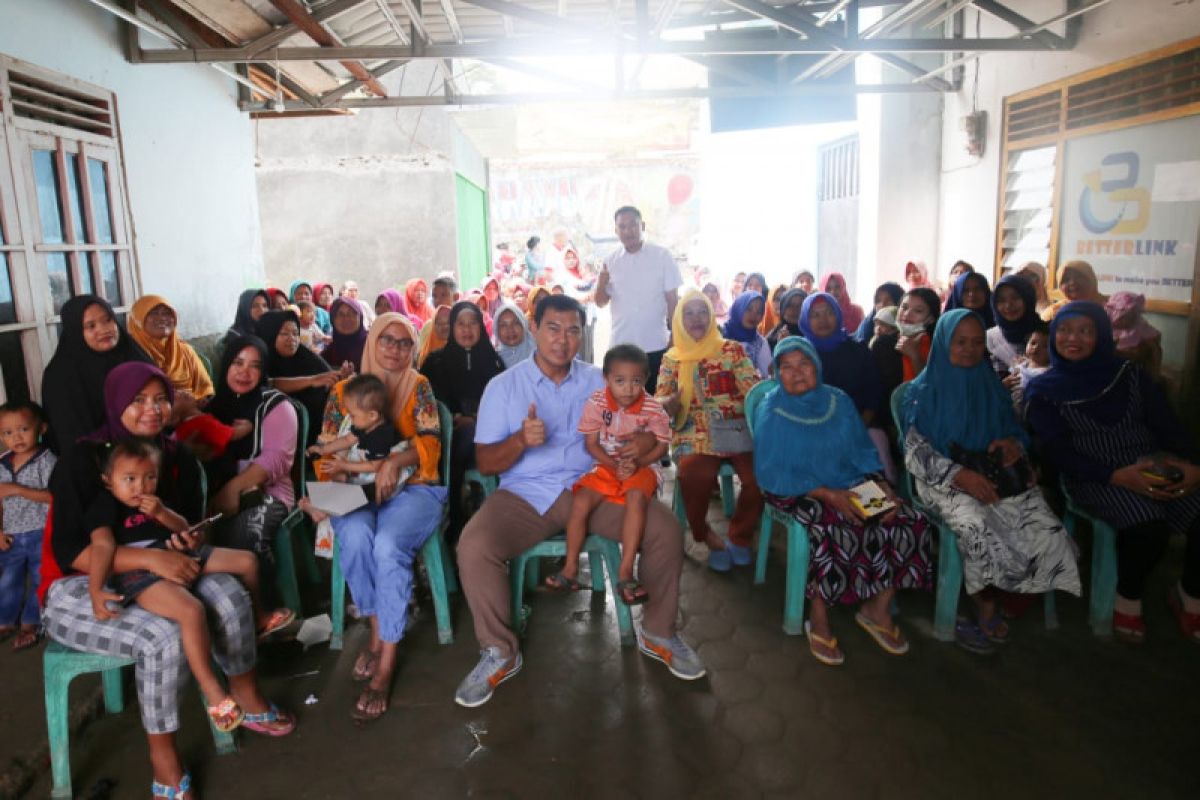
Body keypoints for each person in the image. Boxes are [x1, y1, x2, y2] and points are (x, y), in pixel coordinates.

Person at [40, 362, 294, 797]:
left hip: (156, 561)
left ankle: (246, 696)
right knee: (164, 635)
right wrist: (152, 561)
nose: (152, 410)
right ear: (116, 401)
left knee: (231, 595)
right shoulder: (83, 462)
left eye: (161, 399)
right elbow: (73, 552)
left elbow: (190, 526)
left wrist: (180, 542)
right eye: (138, 400)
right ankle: (164, 759)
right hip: (80, 581)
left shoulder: (169, 454)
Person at [455, 294, 703, 708]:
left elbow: (648, 421)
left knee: (663, 528)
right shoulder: (503, 388)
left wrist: (643, 441)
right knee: (474, 545)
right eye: (553, 328)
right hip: (525, 494)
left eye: (573, 330)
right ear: (535, 330)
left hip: (595, 486)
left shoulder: (599, 380)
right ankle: (499, 652)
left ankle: (659, 631)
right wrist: (520, 440)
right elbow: (485, 460)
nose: (563, 340)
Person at [899, 309, 1081, 654]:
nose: (968, 350)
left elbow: (1014, 430)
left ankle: (1012, 592)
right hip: (940, 477)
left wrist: (1013, 445)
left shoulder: (988, 385)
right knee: (976, 522)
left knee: (1038, 520)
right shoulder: (923, 392)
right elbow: (915, 453)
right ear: (942, 343)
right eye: (959, 342)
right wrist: (960, 475)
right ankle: (984, 607)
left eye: (976, 342)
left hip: (990, 470)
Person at [84, 437, 293, 735]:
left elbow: (183, 527)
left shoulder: (155, 501)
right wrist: (95, 589)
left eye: (149, 477)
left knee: (247, 562)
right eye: (129, 479)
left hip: (176, 554)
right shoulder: (103, 506)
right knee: (191, 611)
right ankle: (215, 693)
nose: (140, 487)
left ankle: (260, 619)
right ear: (108, 481)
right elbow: (102, 546)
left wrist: (160, 513)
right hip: (139, 572)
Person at [1026, 302, 1200, 644]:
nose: (1072, 338)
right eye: (1063, 330)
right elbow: (1056, 452)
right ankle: (1128, 597)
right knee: (1148, 526)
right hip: (1092, 476)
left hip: (1150, 465)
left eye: (1085, 331)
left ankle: (1189, 593)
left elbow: (1166, 426)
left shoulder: (1129, 375)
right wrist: (1117, 476)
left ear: (1102, 336)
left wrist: (1193, 467)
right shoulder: (1045, 389)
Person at [754, 337, 932, 665]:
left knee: (906, 520)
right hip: (796, 489)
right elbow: (771, 469)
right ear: (777, 373)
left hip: (850, 482)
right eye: (786, 367)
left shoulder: (838, 400)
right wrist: (827, 494)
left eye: (803, 364)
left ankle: (876, 609)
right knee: (833, 528)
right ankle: (818, 616)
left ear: (816, 366)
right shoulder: (773, 409)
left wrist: (880, 485)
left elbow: (862, 451)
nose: (796, 373)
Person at [317, 313, 447, 720]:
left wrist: (393, 462)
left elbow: (430, 444)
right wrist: (345, 475)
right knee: (355, 535)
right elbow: (328, 449)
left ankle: (386, 659)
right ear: (372, 341)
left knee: (389, 545)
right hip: (355, 486)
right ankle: (376, 627)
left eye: (404, 342)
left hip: (414, 487)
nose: (394, 348)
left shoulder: (418, 386)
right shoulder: (342, 392)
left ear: (413, 348)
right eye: (386, 339)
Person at [547, 345, 671, 604]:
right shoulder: (596, 403)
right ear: (606, 379)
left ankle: (625, 571)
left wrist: (639, 464)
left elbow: (662, 447)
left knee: (636, 499)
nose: (628, 388)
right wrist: (614, 467)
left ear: (645, 380)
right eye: (619, 381)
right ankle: (570, 568)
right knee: (580, 502)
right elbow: (591, 445)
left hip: (643, 466)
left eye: (636, 381)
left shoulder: (653, 409)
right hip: (606, 465)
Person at [656, 290, 764, 572]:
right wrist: (668, 403)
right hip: (693, 431)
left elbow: (752, 389)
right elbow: (659, 400)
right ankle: (707, 536)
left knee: (760, 477)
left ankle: (739, 537)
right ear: (679, 320)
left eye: (702, 312)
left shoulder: (731, 349)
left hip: (736, 429)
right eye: (688, 313)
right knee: (693, 474)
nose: (696, 319)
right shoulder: (672, 358)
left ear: (712, 315)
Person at [204, 334, 302, 603]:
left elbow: (278, 458)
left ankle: (271, 610)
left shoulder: (276, 405)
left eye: (255, 366)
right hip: (215, 495)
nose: (245, 372)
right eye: (238, 362)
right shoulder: (213, 407)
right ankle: (229, 614)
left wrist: (234, 488)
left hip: (268, 493)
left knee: (249, 534)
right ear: (226, 365)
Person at [420, 302, 506, 540]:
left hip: (487, 440)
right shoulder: (435, 363)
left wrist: (476, 419)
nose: (467, 330)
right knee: (460, 438)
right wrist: (453, 417)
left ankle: (455, 516)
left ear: (481, 327)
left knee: (470, 435)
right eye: (461, 324)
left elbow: (504, 403)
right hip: (448, 439)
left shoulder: (494, 363)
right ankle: (461, 510)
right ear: (452, 327)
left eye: (473, 324)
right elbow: (429, 401)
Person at [798, 292, 894, 482]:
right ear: (805, 320)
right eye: (815, 315)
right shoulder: (799, 354)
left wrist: (858, 425)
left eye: (828, 313)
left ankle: (881, 500)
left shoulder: (857, 349)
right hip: (813, 429)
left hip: (860, 424)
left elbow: (873, 391)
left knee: (875, 452)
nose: (823, 320)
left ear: (838, 314)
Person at [42, 295, 152, 454]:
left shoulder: (133, 356)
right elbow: (72, 440)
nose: (104, 329)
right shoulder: (60, 377)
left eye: (108, 320)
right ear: (76, 332)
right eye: (91, 326)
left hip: (150, 448)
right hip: (95, 460)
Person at [593, 207, 683, 395]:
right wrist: (601, 284)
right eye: (622, 227)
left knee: (656, 404)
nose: (628, 231)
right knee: (623, 405)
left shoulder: (662, 256)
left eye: (633, 225)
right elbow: (600, 302)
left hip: (656, 345)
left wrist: (674, 339)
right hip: (621, 347)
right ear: (616, 231)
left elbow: (673, 301)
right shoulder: (610, 261)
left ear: (642, 225)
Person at [307, 374, 412, 503]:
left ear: (372, 415)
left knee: (362, 493)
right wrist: (323, 449)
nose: (350, 418)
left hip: (382, 476)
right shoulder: (365, 423)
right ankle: (327, 500)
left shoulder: (381, 436)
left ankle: (330, 503)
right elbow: (347, 440)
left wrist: (344, 465)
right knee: (340, 481)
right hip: (370, 464)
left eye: (353, 415)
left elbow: (374, 466)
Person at [0, 401, 54, 651]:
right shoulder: (2, 463)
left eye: (23, 429)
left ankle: (31, 624)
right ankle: (5, 622)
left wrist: (17, 489)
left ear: (41, 428)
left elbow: (53, 497)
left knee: (39, 579)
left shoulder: (47, 460)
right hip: (11, 533)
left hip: (40, 532)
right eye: (7, 433)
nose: (16, 437)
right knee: (8, 580)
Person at [255, 310, 343, 446]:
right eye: (284, 333)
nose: (292, 339)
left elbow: (326, 376)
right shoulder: (260, 359)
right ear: (270, 334)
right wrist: (311, 381)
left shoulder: (303, 355)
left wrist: (339, 378)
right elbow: (267, 385)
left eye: (296, 333)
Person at [126, 295, 215, 411]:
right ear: (138, 319)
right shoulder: (129, 354)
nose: (162, 318)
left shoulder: (184, 350)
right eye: (153, 313)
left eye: (167, 313)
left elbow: (205, 391)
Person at [987, 273, 1040, 375]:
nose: (1008, 305)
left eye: (1015, 298)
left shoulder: (1046, 333)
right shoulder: (990, 338)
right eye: (1001, 300)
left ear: (1027, 299)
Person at [1106, 291, 1163, 378]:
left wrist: (1155, 373)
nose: (1126, 320)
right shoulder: (1105, 328)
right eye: (1122, 317)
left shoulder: (1139, 326)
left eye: (1131, 315)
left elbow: (1155, 348)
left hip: (1137, 372)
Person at [721, 291, 772, 378]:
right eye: (749, 309)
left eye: (759, 312)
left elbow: (767, 375)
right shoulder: (720, 336)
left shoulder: (760, 343)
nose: (754, 315)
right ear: (739, 308)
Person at [895, 287, 941, 380]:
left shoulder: (936, 345)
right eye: (904, 307)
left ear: (931, 319)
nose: (907, 314)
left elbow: (930, 384)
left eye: (918, 311)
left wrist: (915, 356)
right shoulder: (885, 342)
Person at [322, 296, 369, 373]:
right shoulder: (329, 354)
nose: (346, 319)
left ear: (360, 317)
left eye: (352, 313)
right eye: (340, 314)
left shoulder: (372, 345)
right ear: (333, 320)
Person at [493, 300, 535, 368]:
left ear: (524, 325)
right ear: (496, 330)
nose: (510, 330)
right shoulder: (494, 360)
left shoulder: (539, 356)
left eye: (516, 323)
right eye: (503, 325)